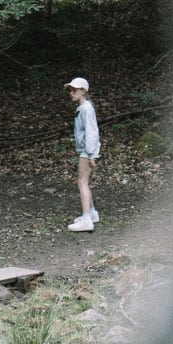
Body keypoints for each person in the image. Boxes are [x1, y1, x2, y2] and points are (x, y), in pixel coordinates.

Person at [65, 76, 101, 232]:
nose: (71, 93)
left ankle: (87, 219)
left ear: (83, 91)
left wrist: (92, 155)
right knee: (83, 181)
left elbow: (92, 132)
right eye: (70, 90)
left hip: (87, 151)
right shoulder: (82, 108)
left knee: (82, 182)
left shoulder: (86, 108)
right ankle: (92, 214)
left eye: (74, 90)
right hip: (85, 150)